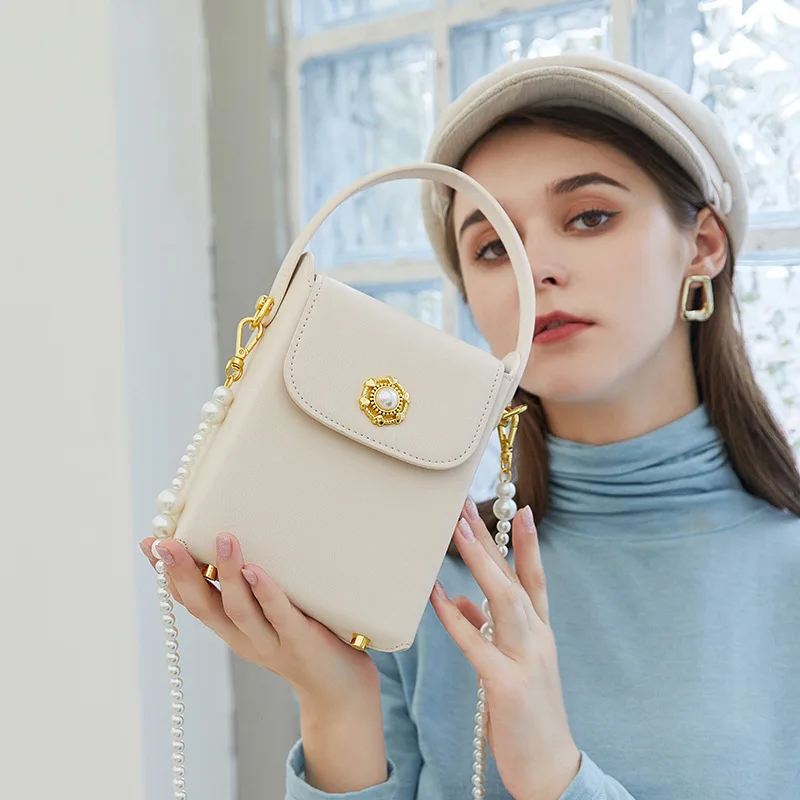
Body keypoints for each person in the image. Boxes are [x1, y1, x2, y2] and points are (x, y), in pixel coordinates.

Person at [140, 54, 800, 799]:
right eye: (492, 249)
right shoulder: (417, 583)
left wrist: (553, 773)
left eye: (590, 217)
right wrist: (335, 702)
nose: (536, 269)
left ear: (703, 245)